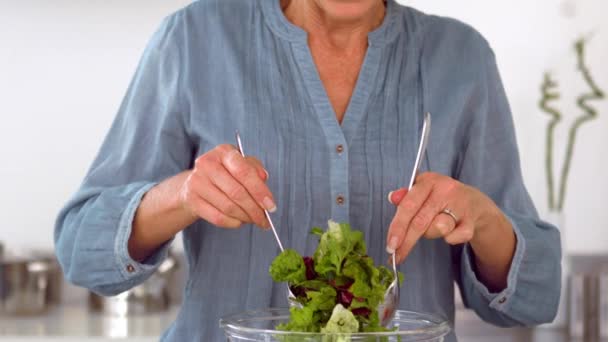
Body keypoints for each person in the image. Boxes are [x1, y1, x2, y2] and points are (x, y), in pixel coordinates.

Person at [54, 0, 561, 340]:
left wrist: (485, 220)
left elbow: (529, 301)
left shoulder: (462, 57)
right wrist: (182, 195)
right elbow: (82, 251)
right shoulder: (194, 39)